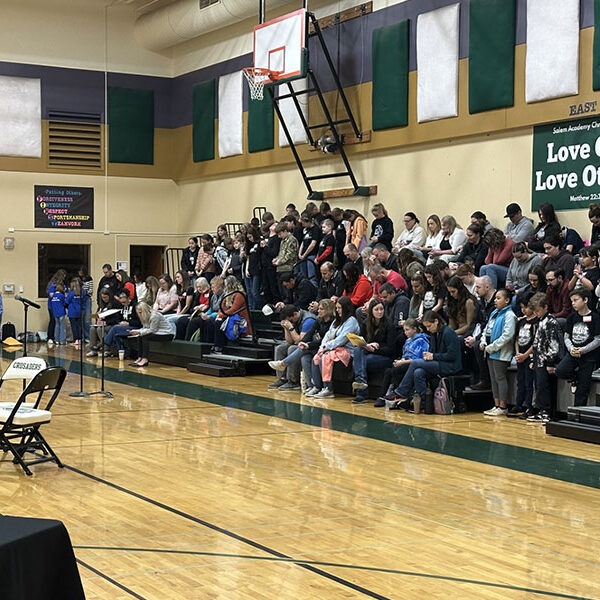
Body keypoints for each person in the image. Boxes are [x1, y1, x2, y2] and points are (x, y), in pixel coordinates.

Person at [388, 311, 461, 411]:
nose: (428, 329)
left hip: (450, 365)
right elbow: (433, 351)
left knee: (415, 363)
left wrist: (433, 356)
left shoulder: (448, 333)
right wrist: (428, 355)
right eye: (426, 327)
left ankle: (401, 392)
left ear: (436, 321)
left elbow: (452, 355)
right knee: (418, 372)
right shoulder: (434, 333)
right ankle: (423, 403)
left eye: (429, 326)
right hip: (439, 362)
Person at [555, 289, 600, 407]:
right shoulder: (572, 317)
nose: (573, 303)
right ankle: (574, 378)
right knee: (560, 371)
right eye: (571, 301)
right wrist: (571, 348)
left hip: (588, 356)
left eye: (575, 300)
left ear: (585, 300)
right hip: (573, 353)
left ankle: (577, 414)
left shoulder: (595, 317)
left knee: (582, 389)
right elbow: (566, 336)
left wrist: (583, 350)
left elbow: (598, 340)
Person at [309, 296, 360, 398]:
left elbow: (342, 339)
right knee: (317, 356)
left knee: (323, 359)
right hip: (333, 349)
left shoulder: (351, 321)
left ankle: (328, 388)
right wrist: (322, 347)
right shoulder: (336, 320)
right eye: (336, 308)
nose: (337, 310)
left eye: (339, 308)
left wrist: (326, 347)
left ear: (346, 308)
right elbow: (327, 335)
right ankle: (317, 387)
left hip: (348, 352)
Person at [374, 319, 430, 407]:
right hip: (405, 362)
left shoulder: (421, 340)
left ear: (414, 329)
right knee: (388, 371)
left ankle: (399, 395)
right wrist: (400, 360)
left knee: (395, 371)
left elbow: (419, 359)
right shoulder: (408, 341)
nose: (405, 332)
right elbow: (405, 354)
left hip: (415, 364)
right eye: (404, 330)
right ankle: (381, 397)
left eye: (407, 330)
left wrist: (403, 362)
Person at [351, 299, 396, 403]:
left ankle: (361, 391)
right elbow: (361, 340)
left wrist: (375, 349)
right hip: (369, 353)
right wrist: (367, 345)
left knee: (360, 361)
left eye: (381, 309)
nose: (380, 312)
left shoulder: (389, 325)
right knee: (358, 350)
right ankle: (361, 385)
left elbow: (391, 349)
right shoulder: (366, 323)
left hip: (386, 357)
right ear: (371, 311)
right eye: (376, 309)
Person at [528, 292, 564, 423]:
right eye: (534, 311)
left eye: (538, 310)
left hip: (546, 361)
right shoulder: (540, 321)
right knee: (539, 386)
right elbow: (536, 342)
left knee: (545, 386)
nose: (536, 313)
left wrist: (550, 362)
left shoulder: (551, 322)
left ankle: (547, 412)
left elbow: (554, 345)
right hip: (539, 359)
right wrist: (533, 359)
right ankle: (541, 410)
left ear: (545, 307)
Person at [480, 288, 517, 416]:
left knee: (500, 378)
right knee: (493, 379)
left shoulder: (510, 315)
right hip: (490, 351)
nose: (495, 300)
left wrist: (492, 347)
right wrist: (483, 341)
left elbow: (507, 336)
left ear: (507, 300)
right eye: (495, 298)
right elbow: (486, 330)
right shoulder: (494, 313)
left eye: (498, 298)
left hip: (501, 353)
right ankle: (496, 405)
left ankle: (503, 406)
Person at [268, 304, 317, 390]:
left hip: (310, 345)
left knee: (292, 348)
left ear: (295, 314)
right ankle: (282, 379)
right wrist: (286, 328)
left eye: (290, 320)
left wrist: (291, 328)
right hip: (301, 344)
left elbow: (300, 341)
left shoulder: (308, 320)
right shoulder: (295, 319)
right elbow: (289, 341)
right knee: (280, 348)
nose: (291, 322)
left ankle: (293, 381)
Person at [464, 276, 496, 390]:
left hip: (492, 334)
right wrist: (470, 336)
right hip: (479, 332)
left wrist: (476, 338)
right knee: (461, 341)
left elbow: (489, 325)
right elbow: (474, 321)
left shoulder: (496, 302)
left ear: (487, 287)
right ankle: (469, 378)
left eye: (478, 287)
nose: (476, 290)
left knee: (478, 346)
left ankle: (484, 380)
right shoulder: (481, 301)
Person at [509, 291, 538, 418]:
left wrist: (525, 355)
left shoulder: (536, 322)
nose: (523, 310)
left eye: (526, 307)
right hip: (520, 356)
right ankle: (518, 404)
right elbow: (516, 339)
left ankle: (529, 407)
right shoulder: (521, 321)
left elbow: (536, 342)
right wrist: (517, 353)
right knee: (520, 382)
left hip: (529, 357)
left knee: (529, 383)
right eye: (521, 307)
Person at [206, 275, 253, 353]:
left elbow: (233, 310)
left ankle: (219, 346)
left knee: (219, 323)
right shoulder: (228, 294)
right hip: (229, 317)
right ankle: (210, 344)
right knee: (210, 321)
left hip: (239, 319)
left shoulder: (239, 294)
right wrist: (219, 314)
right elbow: (222, 307)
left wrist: (221, 315)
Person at [128, 302, 174, 368]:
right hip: (157, 332)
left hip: (167, 333)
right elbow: (145, 328)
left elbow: (152, 330)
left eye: (140, 312)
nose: (139, 314)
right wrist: (137, 331)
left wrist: (139, 332)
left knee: (145, 337)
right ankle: (140, 357)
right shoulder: (145, 317)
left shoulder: (155, 316)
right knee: (140, 336)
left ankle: (145, 359)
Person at [102, 290, 142, 356]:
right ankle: (118, 351)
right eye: (121, 302)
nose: (123, 304)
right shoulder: (121, 306)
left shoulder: (135, 306)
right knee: (115, 332)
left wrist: (128, 323)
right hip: (123, 327)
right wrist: (120, 322)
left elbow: (139, 322)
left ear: (128, 298)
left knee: (115, 328)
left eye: (124, 302)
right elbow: (118, 318)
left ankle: (105, 344)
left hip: (134, 326)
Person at [183, 276, 223, 341]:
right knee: (183, 320)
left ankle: (191, 341)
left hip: (217, 316)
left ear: (220, 287)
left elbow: (220, 311)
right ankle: (185, 340)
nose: (212, 289)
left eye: (213, 287)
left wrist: (209, 316)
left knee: (197, 321)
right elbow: (211, 308)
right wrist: (205, 314)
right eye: (212, 287)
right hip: (206, 314)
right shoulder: (214, 296)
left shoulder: (221, 296)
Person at [86, 287, 121, 355]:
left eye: (105, 297)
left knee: (100, 329)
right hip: (102, 324)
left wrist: (105, 322)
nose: (104, 299)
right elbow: (97, 315)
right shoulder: (101, 304)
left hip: (111, 324)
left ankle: (106, 349)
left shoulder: (115, 304)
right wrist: (97, 317)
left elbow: (117, 318)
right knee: (92, 329)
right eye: (102, 297)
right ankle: (93, 349)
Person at [273, 221, 299, 294]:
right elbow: (281, 253)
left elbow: (290, 255)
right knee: (281, 291)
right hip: (280, 268)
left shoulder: (292, 240)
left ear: (285, 231)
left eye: (280, 234)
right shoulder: (283, 241)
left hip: (288, 268)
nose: (279, 236)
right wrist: (276, 259)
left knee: (287, 291)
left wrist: (279, 262)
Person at [260, 221, 280, 305]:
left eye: (274, 225)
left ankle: (275, 303)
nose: (272, 226)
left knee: (273, 286)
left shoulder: (276, 239)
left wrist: (265, 247)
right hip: (264, 265)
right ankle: (267, 303)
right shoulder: (267, 237)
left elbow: (274, 252)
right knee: (265, 287)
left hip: (271, 265)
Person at [46, 269, 66, 347]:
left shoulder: (62, 285)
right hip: (52, 306)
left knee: (57, 324)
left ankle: (57, 339)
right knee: (53, 321)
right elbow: (51, 294)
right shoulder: (53, 285)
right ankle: (51, 337)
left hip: (58, 306)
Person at [243, 227, 262, 309]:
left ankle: (260, 307)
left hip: (258, 269)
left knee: (255, 292)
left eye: (250, 237)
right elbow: (248, 258)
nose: (250, 239)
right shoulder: (249, 245)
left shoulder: (259, 242)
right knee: (250, 292)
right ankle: (252, 308)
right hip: (250, 268)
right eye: (248, 238)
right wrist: (246, 269)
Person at [66, 278, 83, 349]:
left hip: (72, 311)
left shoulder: (71, 293)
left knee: (74, 326)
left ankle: (75, 340)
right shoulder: (81, 293)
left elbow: (67, 301)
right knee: (79, 326)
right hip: (79, 311)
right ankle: (80, 339)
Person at [78, 265, 93, 343]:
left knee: (87, 319)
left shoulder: (89, 279)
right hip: (79, 299)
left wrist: (84, 292)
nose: (79, 273)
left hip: (87, 298)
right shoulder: (78, 279)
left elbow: (91, 291)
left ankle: (88, 337)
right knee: (80, 318)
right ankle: (81, 337)